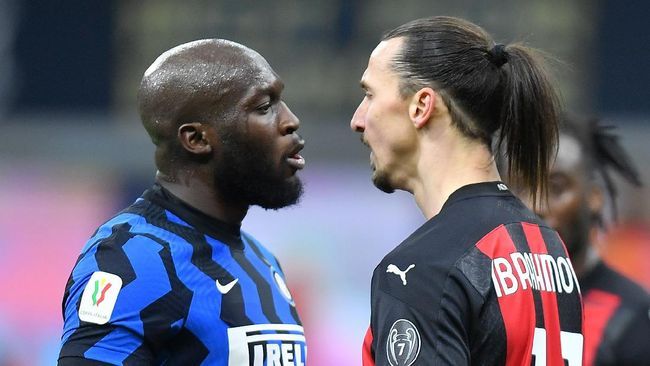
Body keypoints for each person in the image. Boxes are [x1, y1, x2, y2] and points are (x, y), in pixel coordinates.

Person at [351, 16, 584, 365]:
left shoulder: (423, 268)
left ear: (421, 106)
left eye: (370, 94)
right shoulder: (547, 245)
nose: (358, 119)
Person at [58, 39, 307, 365]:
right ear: (197, 139)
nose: (290, 121)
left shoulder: (263, 260)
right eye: (263, 107)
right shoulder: (132, 259)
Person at [532, 116, 650, 366]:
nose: (537, 205)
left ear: (594, 198)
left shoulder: (632, 314)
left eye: (556, 187)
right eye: (525, 187)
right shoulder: (493, 300)